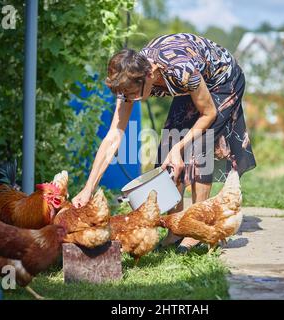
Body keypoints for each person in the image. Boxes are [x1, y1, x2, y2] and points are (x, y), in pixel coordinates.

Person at [72, 33, 256, 251]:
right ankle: (176, 228)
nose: (129, 98)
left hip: (222, 79)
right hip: (190, 83)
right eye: (124, 94)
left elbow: (208, 113)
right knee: (168, 147)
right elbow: (114, 135)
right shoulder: (129, 79)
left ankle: (196, 228)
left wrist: (180, 148)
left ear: (149, 74)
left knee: (199, 148)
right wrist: (88, 188)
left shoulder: (181, 70)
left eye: (132, 94)